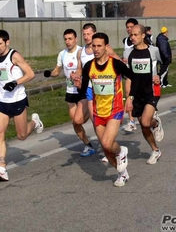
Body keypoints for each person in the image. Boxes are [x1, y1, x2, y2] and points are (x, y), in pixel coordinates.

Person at [74, 32, 136, 187]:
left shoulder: (115, 64)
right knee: (106, 148)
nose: (96, 49)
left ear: (106, 47)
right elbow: (85, 90)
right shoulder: (89, 66)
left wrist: (130, 98)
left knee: (108, 144)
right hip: (97, 112)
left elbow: (133, 77)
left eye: (99, 46)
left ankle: (121, 150)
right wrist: (79, 85)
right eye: (93, 46)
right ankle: (122, 174)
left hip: (114, 110)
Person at [44, 29, 95, 157]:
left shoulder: (82, 52)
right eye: (65, 39)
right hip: (70, 91)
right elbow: (57, 70)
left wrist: (78, 76)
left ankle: (90, 112)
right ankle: (88, 145)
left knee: (79, 120)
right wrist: (50, 74)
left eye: (70, 38)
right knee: (75, 123)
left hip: (82, 90)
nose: (67, 41)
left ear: (76, 39)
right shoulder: (62, 54)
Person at [0, 30, 43, 181]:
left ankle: (35, 122)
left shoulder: (14, 56)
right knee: (0, 133)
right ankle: (2, 167)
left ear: (7, 42)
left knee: (21, 136)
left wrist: (15, 82)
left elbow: (30, 74)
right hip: (2, 102)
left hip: (18, 100)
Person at [124, 25, 165, 165]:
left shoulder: (153, 51)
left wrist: (159, 75)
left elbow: (165, 62)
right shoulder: (128, 53)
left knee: (145, 122)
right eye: (131, 35)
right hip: (137, 92)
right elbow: (129, 76)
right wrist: (129, 97)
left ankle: (154, 123)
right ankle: (155, 150)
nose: (133, 37)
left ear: (142, 36)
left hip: (152, 91)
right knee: (144, 125)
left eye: (135, 35)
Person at [122, 18, 139, 132]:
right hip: (129, 72)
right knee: (128, 93)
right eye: (127, 27)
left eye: (131, 27)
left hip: (140, 72)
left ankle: (150, 114)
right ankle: (132, 121)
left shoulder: (143, 39)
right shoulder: (125, 41)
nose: (129, 29)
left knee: (139, 96)